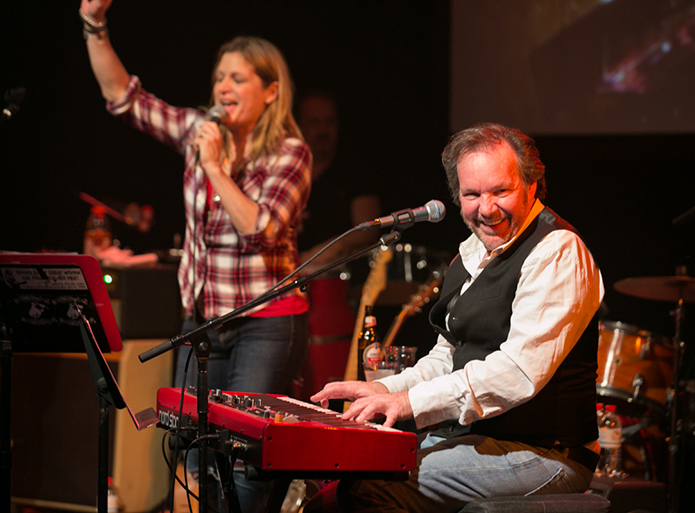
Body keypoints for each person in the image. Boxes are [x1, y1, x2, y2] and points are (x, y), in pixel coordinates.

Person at [80, 1, 311, 512]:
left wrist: (214, 167)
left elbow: (261, 230)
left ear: (271, 91)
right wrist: (94, 24)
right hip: (202, 322)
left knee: (247, 462)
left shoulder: (289, 153)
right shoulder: (198, 131)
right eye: (219, 78)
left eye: (238, 78)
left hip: (262, 323)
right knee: (194, 455)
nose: (223, 88)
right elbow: (122, 97)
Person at [309, 123, 605, 512]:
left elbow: (516, 373)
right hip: (475, 439)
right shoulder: (470, 253)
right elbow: (448, 355)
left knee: (369, 489)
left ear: (532, 186)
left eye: (501, 190)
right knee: (331, 492)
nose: (486, 208)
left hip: (546, 453)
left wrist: (409, 402)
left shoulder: (557, 251)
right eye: (472, 194)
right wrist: (386, 391)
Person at [293, 90, 381, 400]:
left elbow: (367, 230)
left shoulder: (353, 170)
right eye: (313, 122)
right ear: (298, 125)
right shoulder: (287, 172)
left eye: (329, 122)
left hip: (335, 290)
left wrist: (313, 258)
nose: (322, 129)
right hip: (283, 290)